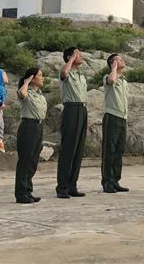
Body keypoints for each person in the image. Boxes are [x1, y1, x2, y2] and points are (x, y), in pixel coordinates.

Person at [56, 46, 87, 199]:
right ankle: (62, 187)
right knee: (68, 149)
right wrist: (72, 59)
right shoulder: (67, 72)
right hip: (71, 109)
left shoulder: (81, 75)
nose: (80, 56)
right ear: (70, 57)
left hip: (82, 109)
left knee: (78, 149)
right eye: (77, 54)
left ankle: (72, 185)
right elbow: (64, 73)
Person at [14, 67, 47, 204]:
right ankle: (21, 193)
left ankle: (28, 190)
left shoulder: (39, 94)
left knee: (33, 160)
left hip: (38, 126)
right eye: (40, 75)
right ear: (32, 78)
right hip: (28, 126)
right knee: (25, 160)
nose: (43, 77)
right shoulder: (26, 92)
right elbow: (22, 93)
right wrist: (26, 82)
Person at [101, 53, 129, 194]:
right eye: (119, 59)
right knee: (109, 151)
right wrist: (114, 68)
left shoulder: (124, 80)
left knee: (119, 150)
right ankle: (107, 182)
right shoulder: (108, 77)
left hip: (122, 118)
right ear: (112, 63)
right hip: (112, 116)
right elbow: (111, 80)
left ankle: (115, 180)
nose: (122, 60)